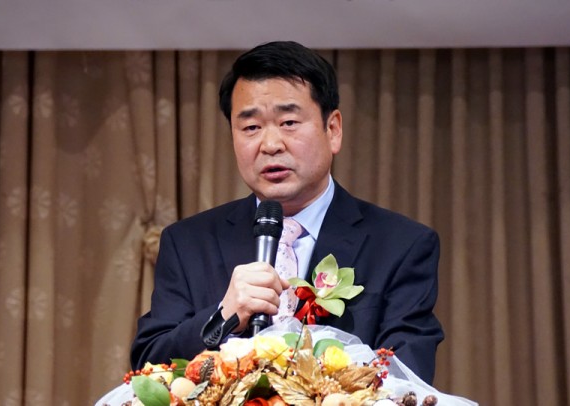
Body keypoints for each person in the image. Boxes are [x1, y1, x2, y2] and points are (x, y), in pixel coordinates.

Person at [130, 41, 444, 384]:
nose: (270, 144)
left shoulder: (401, 245)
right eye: (251, 127)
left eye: (289, 122)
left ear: (333, 129)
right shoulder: (188, 242)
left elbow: (408, 377)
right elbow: (149, 366)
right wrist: (224, 315)